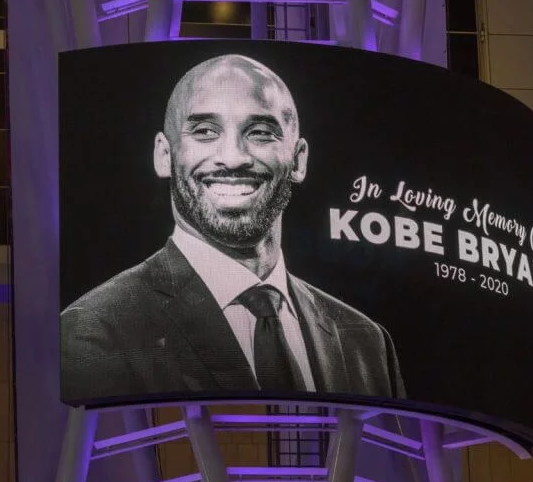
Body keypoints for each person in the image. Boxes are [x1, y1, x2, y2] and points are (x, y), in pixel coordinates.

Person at [61, 54, 405, 403]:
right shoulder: (94, 331)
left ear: (298, 160)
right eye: (205, 132)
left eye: (260, 133)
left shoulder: (366, 342)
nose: (233, 157)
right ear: (164, 155)